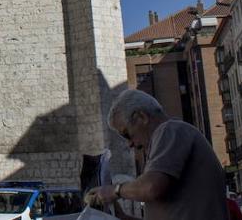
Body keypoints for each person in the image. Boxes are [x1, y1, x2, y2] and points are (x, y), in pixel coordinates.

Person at [85, 88, 229, 219]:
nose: (130, 144)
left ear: (141, 117)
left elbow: (151, 187)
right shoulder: (171, 136)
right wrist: (120, 215)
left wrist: (114, 191)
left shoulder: (170, 129)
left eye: (127, 134)